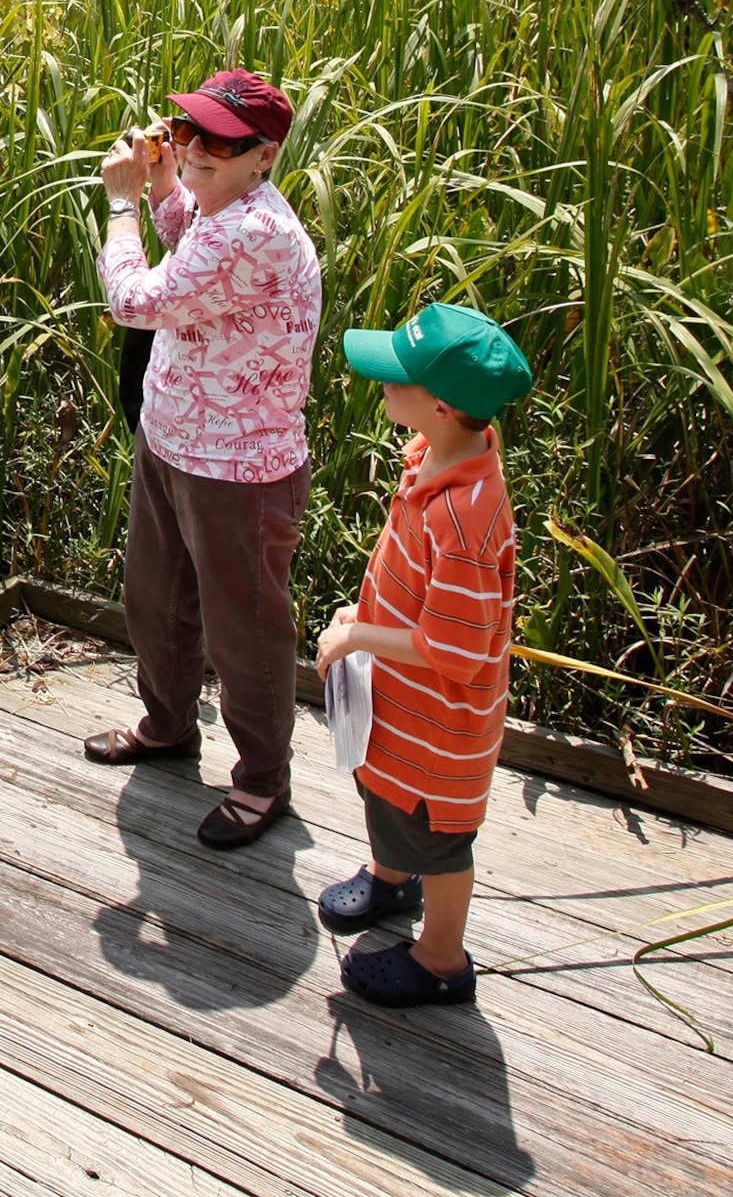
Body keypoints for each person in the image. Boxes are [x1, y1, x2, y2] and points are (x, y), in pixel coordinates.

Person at [85, 69, 323, 850]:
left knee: (244, 629)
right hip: (175, 438)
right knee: (155, 595)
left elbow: (137, 302)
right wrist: (163, 186)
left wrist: (121, 203)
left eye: (218, 141)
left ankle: (261, 782)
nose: (193, 148)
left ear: (266, 155)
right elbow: (192, 233)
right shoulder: (227, 210)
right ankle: (168, 724)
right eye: (185, 130)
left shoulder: (255, 232)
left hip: (239, 468)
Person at [311, 302, 535, 1007]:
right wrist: (365, 613)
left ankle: (442, 955)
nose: (379, 382)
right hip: (400, 709)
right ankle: (389, 875)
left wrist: (355, 637)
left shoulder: (466, 517)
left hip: (439, 730)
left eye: (394, 376)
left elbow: (458, 648)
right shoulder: (434, 458)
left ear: (438, 405)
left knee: (436, 837)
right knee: (386, 797)